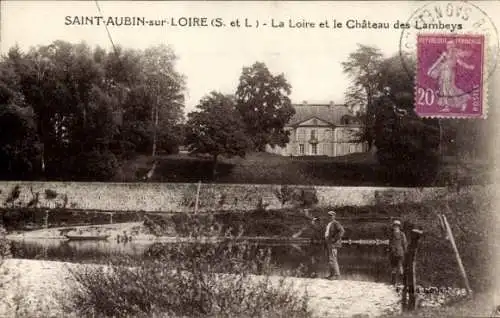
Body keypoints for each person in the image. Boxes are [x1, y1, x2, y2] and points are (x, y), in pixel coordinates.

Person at [324, 210, 345, 280]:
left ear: (334, 216)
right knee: (330, 259)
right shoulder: (329, 223)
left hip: (333, 243)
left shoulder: (336, 223)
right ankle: (331, 275)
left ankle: (337, 275)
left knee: (333, 259)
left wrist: (335, 239)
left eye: (331, 215)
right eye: (329, 215)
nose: (330, 217)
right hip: (329, 243)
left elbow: (342, 231)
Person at [388, 219, 408, 285]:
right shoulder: (391, 235)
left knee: (400, 267)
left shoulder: (402, 234)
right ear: (393, 227)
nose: (395, 227)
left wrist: (406, 252)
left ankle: (402, 282)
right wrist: (389, 250)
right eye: (394, 226)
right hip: (393, 253)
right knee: (393, 267)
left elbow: (404, 244)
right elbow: (390, 244)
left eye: (397, 226)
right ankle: (394, 282)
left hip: (400, 253)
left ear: (399, 227)